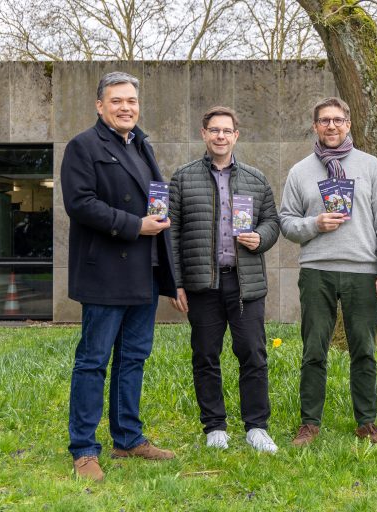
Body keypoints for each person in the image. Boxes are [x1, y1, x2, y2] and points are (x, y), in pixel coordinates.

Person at [61, 71, 177, 481]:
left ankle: (128, 438)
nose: (126, 107)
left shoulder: (142, 145)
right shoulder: (83, 146)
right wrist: (134, 226)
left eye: (131, 100)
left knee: (133, 359)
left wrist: (169, 271)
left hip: (143, 272)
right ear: (100, 105)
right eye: (117, 101)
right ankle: (84, 449)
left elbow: (156, 208)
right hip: (105, 272)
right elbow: (80, 204)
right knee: (93, 362)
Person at [280, 97, 377, 446]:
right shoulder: (300, 171)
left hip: (362, 271)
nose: (331, 126)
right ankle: (309, 424)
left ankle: (367, 423)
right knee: (313, 348)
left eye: (338, 120)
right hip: (317, 270)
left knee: (364, 348)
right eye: (324, 120)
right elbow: (286, 222)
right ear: (315, 126)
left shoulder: (371, 166)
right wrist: (314, 224)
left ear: (348, 124)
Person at [169, 106, 280, 453]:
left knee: (253, 353)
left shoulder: (256, 179)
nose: (220, 136)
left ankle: (256, 427)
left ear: (236, 135)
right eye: (214, 130)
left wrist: (260, 238)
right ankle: (215, 426)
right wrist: (175, 282)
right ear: (203, 134)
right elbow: (171, 234)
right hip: (203, 284)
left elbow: (272, 223)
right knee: (205, 355)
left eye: (226, 130)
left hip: (245, 282)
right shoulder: (183, 178)